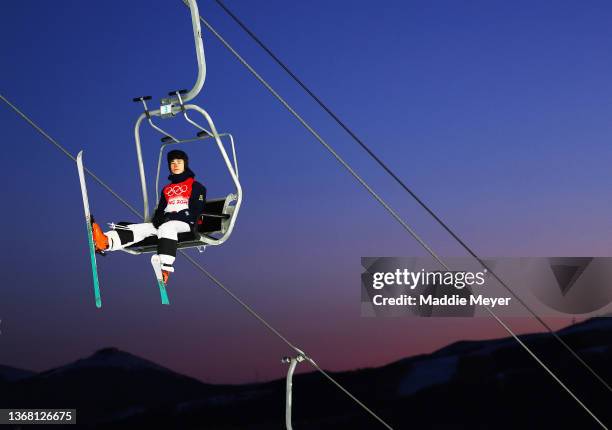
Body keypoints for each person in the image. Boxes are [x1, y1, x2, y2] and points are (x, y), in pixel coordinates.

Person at [91, 149, 206, 284]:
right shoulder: (166, 189)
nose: (175, 165)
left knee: (167, 228)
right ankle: (106, 241)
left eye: (179, 162)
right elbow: (161, 208)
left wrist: (175, 217)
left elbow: (196, 209)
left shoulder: (196, 187)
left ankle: (165, 267)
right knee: (140, 228)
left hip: (186, 224)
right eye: (172, 163)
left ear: (185, 164)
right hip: (166, 223)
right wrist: (158, 218)